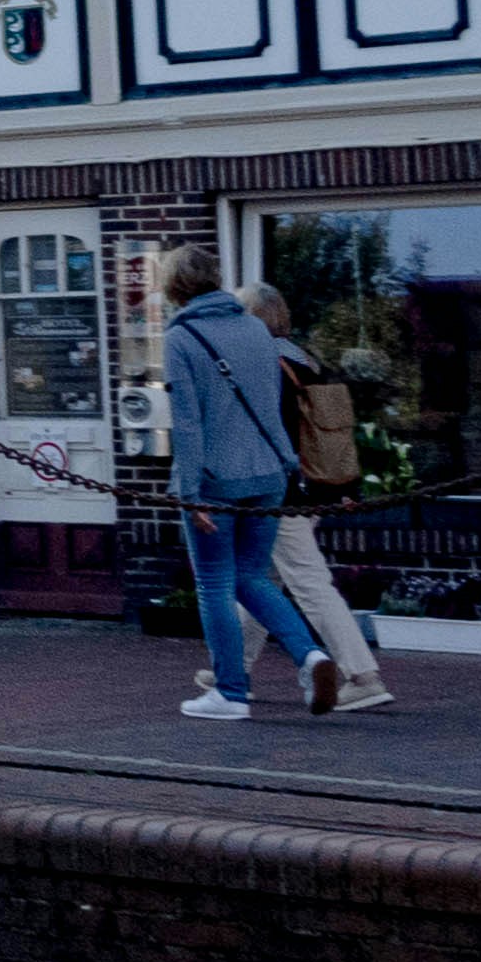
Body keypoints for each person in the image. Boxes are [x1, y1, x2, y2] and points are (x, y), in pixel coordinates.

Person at [156, 244, 331, 718]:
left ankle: (230, 692)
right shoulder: (255, 327)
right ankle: (310, 655)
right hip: (270, 472)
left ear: (172, 286)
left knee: (214, 582)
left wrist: (190, 494)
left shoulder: (180, 337)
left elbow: (188, 424)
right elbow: (269, 404)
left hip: (216, 481)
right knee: (252, 576)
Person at [232, 284, 397, 717]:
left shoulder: (264, 363)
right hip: (311, 488)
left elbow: (270, 434)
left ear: (252, 320)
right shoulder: (305, 361)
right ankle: (231, 670)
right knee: (259, 579)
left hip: (278, 495)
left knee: (307, 583)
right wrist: (339, 489)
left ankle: (363, 677)